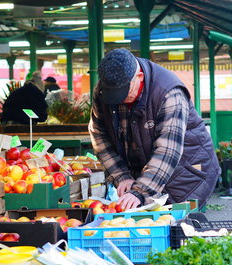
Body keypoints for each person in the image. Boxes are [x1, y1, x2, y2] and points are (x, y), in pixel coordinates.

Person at [89, 48, 221, 211]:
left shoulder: (170, 93)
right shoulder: (104, 90)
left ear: (139, 77)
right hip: (147, 175)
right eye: (115, 95)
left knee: (179, 229)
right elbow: (99, 135)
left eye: (125, 92)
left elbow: (167, 151)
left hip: (185, 174)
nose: (121, 99)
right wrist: (121, 176)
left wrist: (140, 192)